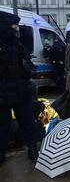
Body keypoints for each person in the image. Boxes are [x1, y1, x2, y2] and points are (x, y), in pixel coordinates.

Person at [0, 11, 39, 165]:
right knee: (2, 126)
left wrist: (30, 71)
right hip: (3, 94)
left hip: (21, 92)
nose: (15, 29)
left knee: (28, 123)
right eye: (12, 26)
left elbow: (27, 62)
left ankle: (32, 149)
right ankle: (1, 152)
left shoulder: (16, 44)